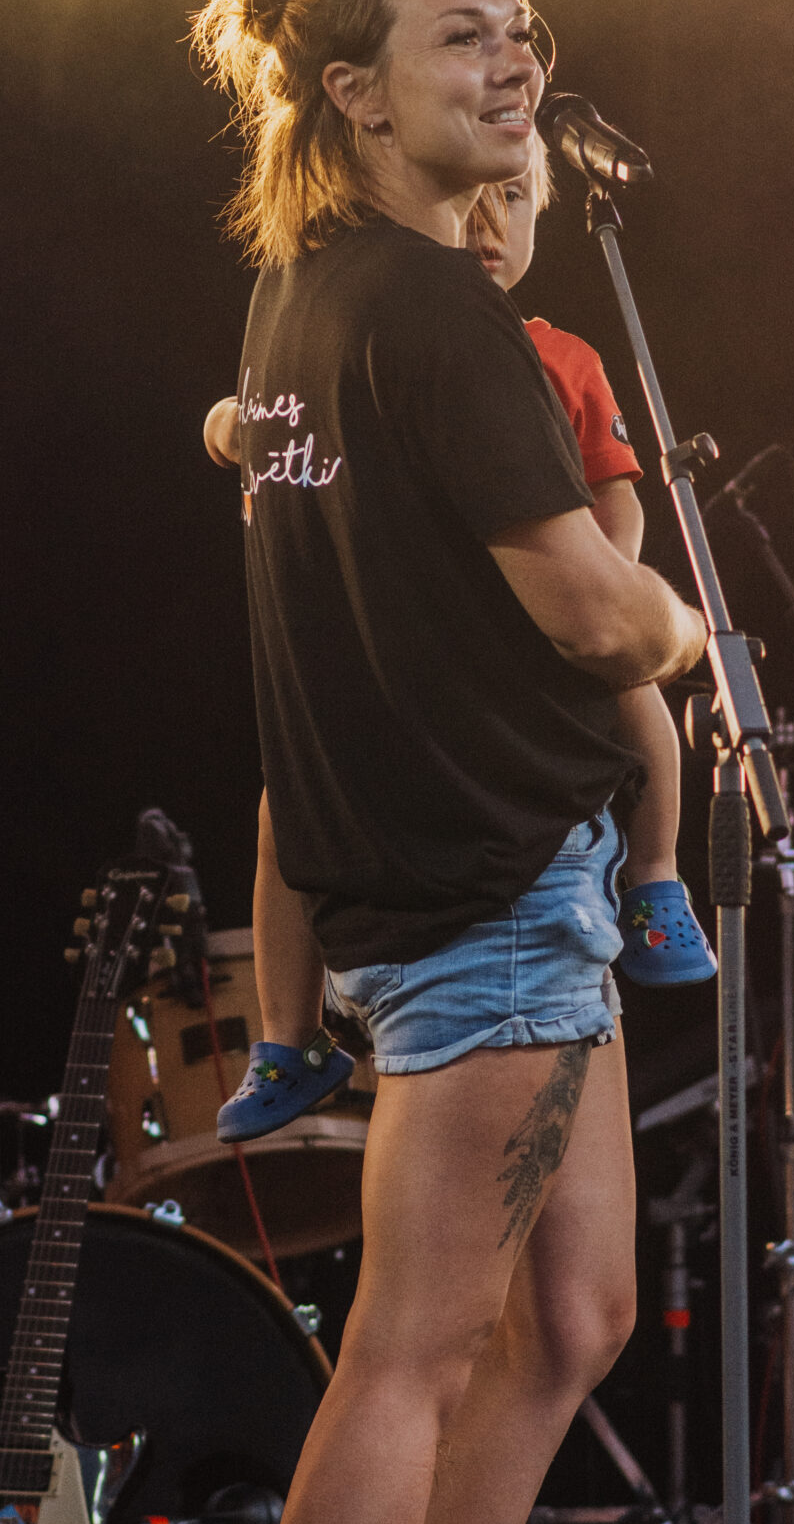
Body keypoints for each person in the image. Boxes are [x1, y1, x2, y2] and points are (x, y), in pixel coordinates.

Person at [190, 0, 708, 1524]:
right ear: (353, 93)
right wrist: (686, 630)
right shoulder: (425, 311)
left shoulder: (304, 306)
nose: (512, 65)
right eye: (460, 38)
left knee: (569, 1319)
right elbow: (590, 613)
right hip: (480, 890)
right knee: (406, 1351)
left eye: (521, 33)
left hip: (513, 883)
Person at [202, 154, 715, 1146]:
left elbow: (617, 499)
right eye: (473, 196)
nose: (488, 218)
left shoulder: (557, 356)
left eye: (512, 198)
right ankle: (286, 1038)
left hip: (548, 646)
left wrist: (608, 587)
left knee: (640, 697)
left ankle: (656, 881)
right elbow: (253, 423)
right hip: (424, 707)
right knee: (283, 811)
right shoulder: (383, 326)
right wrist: (226, 422)